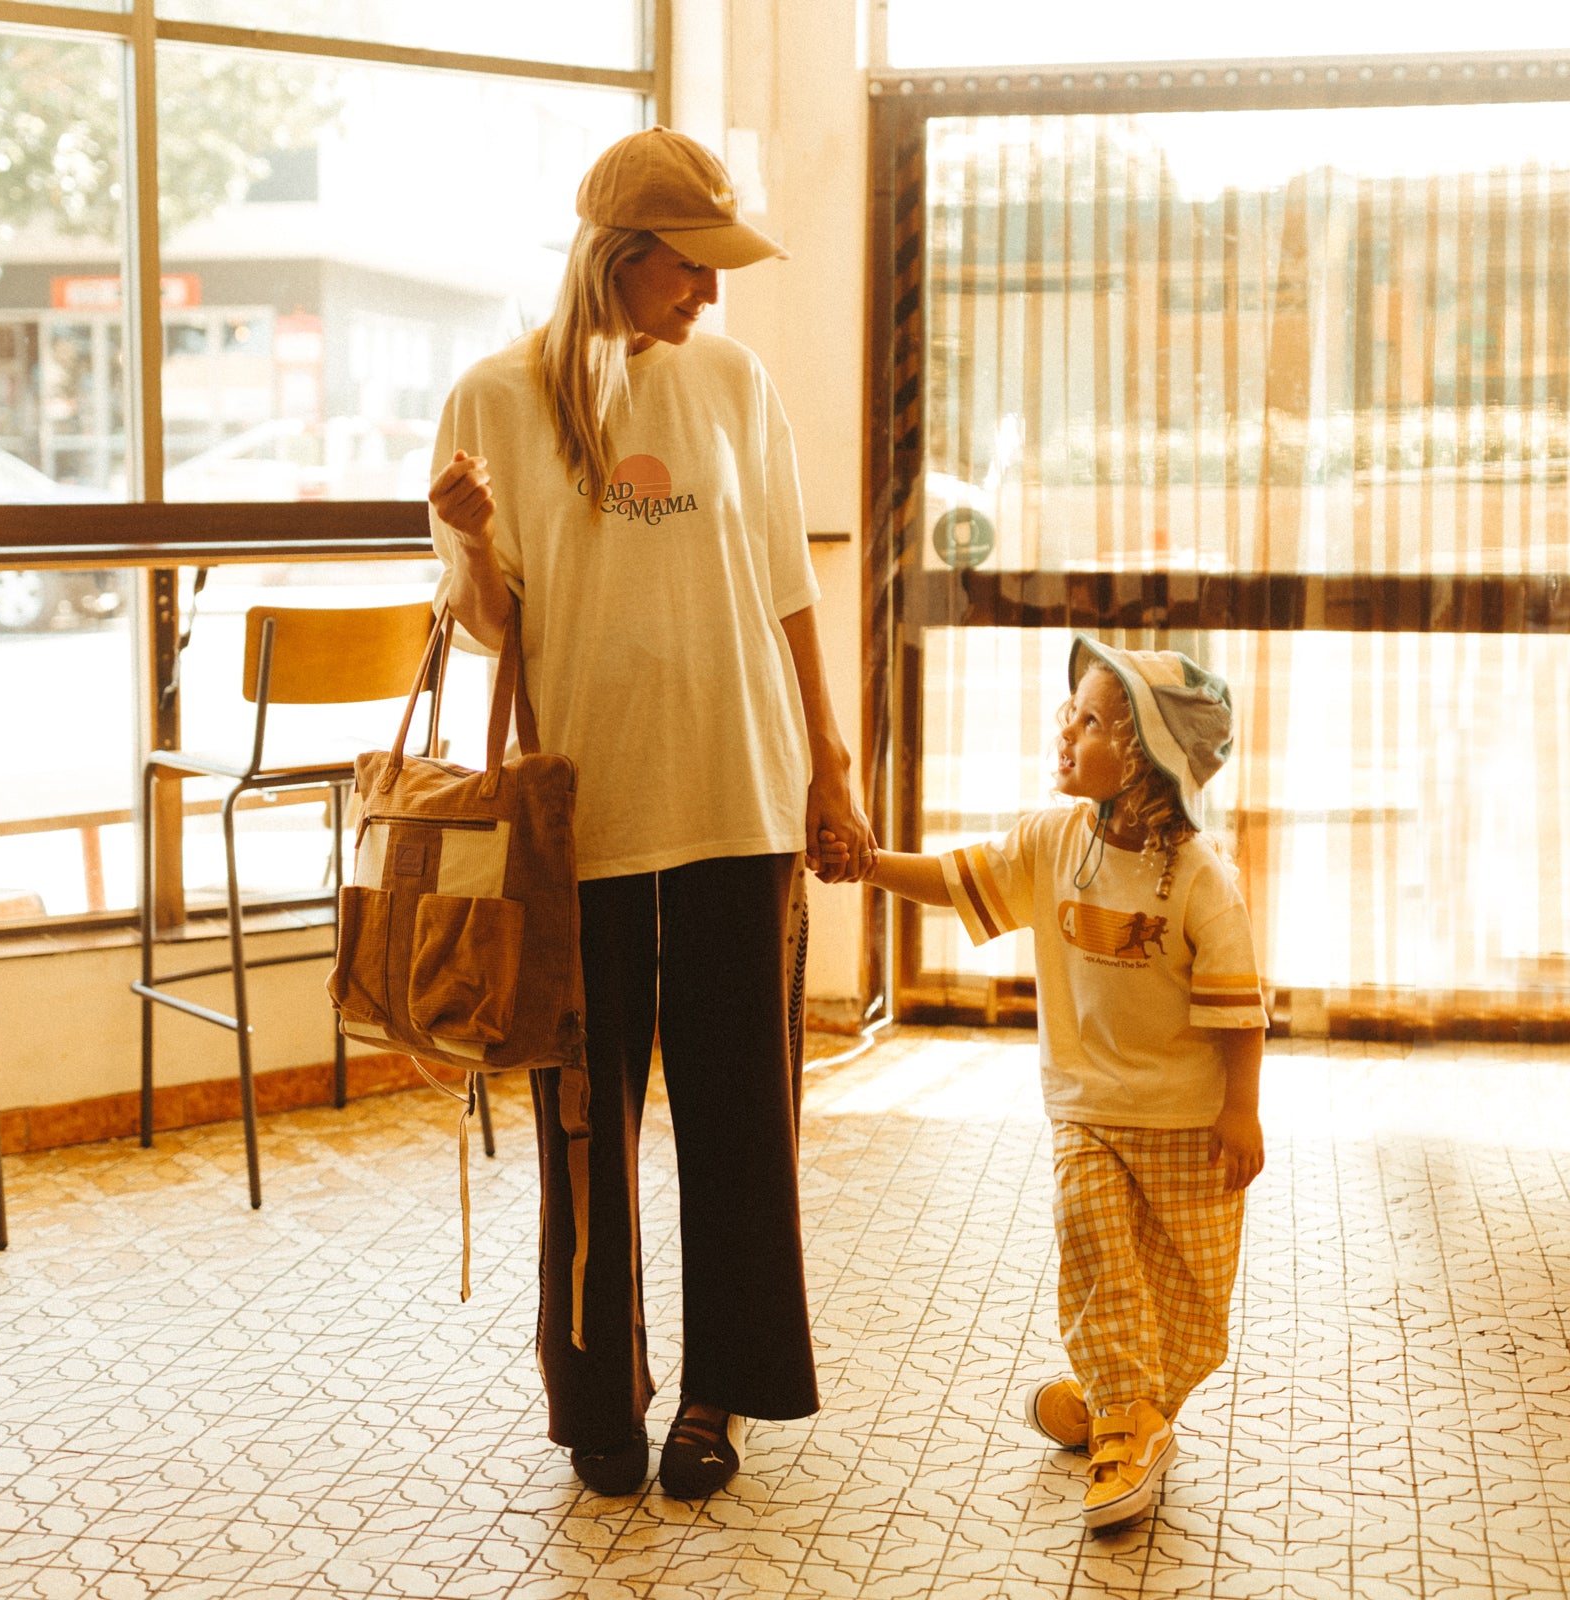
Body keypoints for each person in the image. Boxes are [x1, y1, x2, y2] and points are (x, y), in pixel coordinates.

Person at [426, 125, 872, 1501]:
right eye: (694, 268)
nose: (715, 295)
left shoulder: (732, 381)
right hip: (585, 813)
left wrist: (830, 762)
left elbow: (787, 584)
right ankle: (599, 1400)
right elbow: (494, 630)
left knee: (741, 1112)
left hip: (738, 792)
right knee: (584, 1123)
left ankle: (718, 1395)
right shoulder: (491, 399)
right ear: (623, 258)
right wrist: (464, 531)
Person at [821, 636, 1266, 1531]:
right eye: (1071, 711)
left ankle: (1121, 1394)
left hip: (1185, 1122)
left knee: (1187, 1300)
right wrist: (867, 865)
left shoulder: (1204, 883)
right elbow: (957, 878)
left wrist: (1242, 1110)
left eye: (1093, 720)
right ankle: (1127, 1429)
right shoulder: (1054, 839)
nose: (1065, 728)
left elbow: (1240, 1011)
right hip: (1088, 1111)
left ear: (1148, 761)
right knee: (1094, 1243)